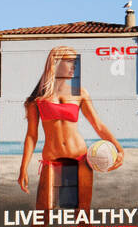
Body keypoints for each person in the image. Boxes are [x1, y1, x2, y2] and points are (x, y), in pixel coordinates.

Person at [17, 44, 124, 216]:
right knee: (40, 220)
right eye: (69, 61)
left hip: (80, 159)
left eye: (75, 62)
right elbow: (31, 136)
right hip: (51, 161)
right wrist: (23, 168)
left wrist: (119, 149)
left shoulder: (80, 93)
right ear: (55, 62)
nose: (74, 66)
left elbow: (98, 125)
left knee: (83, 218)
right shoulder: (36, 99)